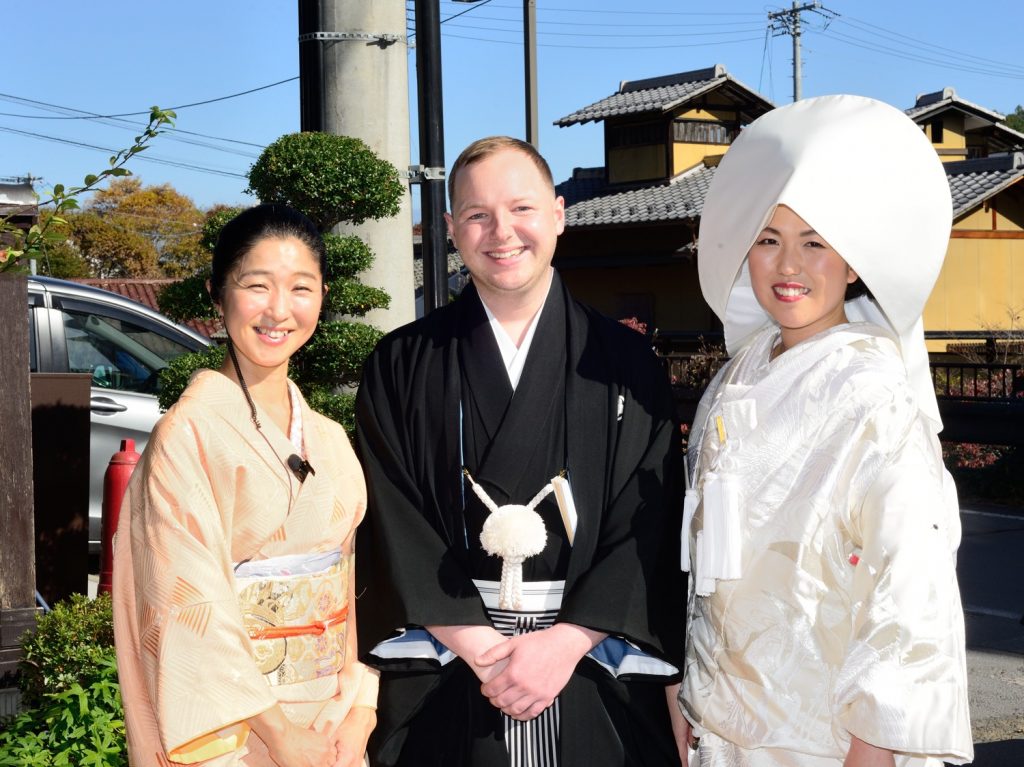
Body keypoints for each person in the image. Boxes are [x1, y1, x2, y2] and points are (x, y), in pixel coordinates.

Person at [355, 136, 687, 766]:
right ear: (451, 229)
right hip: (452, 664)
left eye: (522, 210)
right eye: (477, 215)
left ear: (559, 214)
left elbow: (651, 519)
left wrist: (563, 644)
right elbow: (388, 517)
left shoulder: (625, 363)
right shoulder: (401, 363)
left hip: (589, 666)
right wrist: (484, 648)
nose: (501, 232)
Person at [678, 95, 973, 766]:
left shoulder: (876, 393)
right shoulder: (736, 377)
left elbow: (912, 573)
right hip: (723, 726)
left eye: (817, 243)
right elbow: (704, 553)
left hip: (823, 733)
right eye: (769, 239)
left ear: (852, 261)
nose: (789, 266)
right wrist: (687, 690)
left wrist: (877, 741)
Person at [113, 204, 378, 767]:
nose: (279, 310)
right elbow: (186, 603)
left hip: (331, 719)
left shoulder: (330, 437)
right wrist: (280, 734)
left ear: (323, 295)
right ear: (217, 294)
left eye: (301, 288)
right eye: (256, 286)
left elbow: (349, 587)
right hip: (237, 728)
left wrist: (360, 709)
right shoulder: (186, 435)